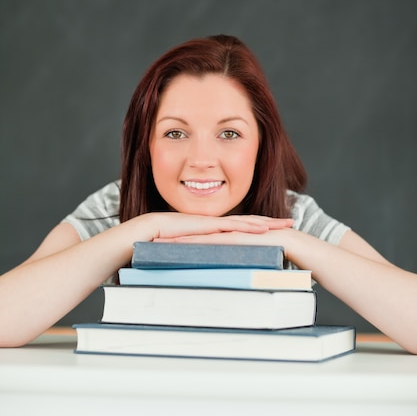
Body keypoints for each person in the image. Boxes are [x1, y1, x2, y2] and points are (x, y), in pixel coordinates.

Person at [1, 35, 416, 352]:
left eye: (229, 133)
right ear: (145, 144)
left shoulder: (291, 215)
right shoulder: (115, 206)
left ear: (261, 145)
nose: (201, 159)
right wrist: (144, 229)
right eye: (175, 133)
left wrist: (288, 240)